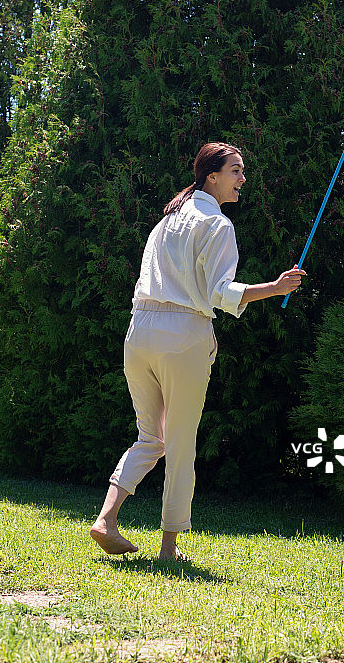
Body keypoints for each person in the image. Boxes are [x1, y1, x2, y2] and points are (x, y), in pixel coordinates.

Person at [90, 142, 306, 561]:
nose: (243, 179)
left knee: (150, 437)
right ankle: (168, 550)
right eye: (236, 171)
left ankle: (106, 519)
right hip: (183, 335)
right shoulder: (218, 225)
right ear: (213, 176)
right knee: (181, 442)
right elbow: (221, 293)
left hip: (139, 332)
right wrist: (276, 288)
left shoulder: (166, 221)